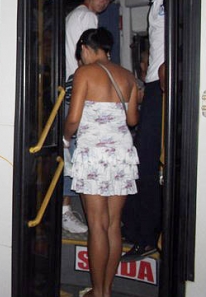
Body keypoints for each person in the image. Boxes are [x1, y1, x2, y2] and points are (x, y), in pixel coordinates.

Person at [63, 28, 139, 297]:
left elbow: (73, 119)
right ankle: (106, 289)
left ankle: (98, 291)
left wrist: (65, 137)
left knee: (96, 225)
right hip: (121, 156)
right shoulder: (128, 76)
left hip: (94, 155)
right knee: (112, 225)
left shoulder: (84, 73)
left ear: (84, 47)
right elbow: (132, 121)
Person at [63, 0, 123, 234]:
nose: (104, 0)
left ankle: (69, 211)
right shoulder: (87, 17)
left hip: (73, 88)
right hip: (80, 91)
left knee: (72, 157)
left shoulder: (74, 15)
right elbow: (85, 58)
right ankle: (85, 217)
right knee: (79, 157)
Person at [121, 0, 165, 261]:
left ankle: (146, 236)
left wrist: (168, 67)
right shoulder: (157, 2)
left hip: (162, 88)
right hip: (151, 86)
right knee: (144, 165)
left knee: (148, 167)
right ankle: (141, 231)